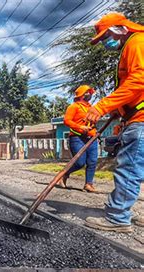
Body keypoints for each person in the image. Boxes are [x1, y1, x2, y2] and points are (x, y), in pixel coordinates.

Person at [83, 13, 144, 232]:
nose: (104, 43)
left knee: (128, 169)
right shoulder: (135, 43)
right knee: (139, 171)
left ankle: (118, 218)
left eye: (105, 36)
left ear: (119, 29)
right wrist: (121, 109)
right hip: (135, 116)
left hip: (141, 121)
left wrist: (102, 106)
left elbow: (139, 80)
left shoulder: (137, 42)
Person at [60, 85, 98, 192]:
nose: (90, 94)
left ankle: (88, 184)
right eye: (87, 92)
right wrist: (80, 127)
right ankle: (65, 174)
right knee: (79, 162)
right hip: (77, 138)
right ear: (81, 94)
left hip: (92, 137)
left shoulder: (91, 108)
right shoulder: (73, 107)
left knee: (92, 161)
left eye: (90, 92)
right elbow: (67, 121)